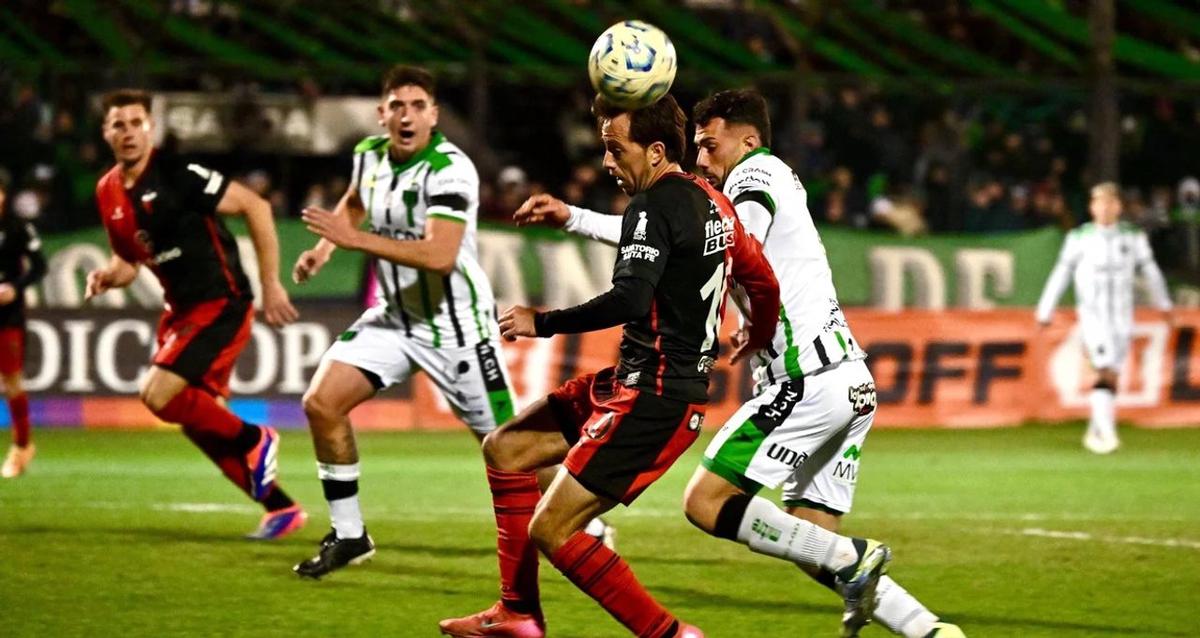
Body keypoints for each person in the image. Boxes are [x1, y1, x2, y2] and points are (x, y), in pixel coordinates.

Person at [513, 89, 963, 638]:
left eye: (710, 145)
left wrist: (579, 222)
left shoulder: (755, 177)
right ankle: (925, 628)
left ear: (748, 141)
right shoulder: (770, 180)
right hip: (849, 382)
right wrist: (577, 217)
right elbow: (695, 237)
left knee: (706, 502)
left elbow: (712, 237)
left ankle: (853, 558)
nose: (702, 158)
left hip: (807, 379)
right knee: (810, 537)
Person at [438, 93, 782, 638]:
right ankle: (517, 613)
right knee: (506, 448)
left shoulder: (652, 206)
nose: (606, 162)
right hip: (638, 383)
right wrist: (758, 337)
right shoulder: (713, 202)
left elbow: (628, 298)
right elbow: (762, 279)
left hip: (655, 398)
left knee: (553, 529)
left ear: (656, 151)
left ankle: (670, 635)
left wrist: (542, 322)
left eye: (616, 149)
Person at [291, 65, 619, 579]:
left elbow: (440, 256)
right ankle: (349, 534)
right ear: (381, 115)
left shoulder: (450, 170)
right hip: (396, 318)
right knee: (321, 403)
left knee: (510, 445)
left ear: (434, 115)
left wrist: (353, 240)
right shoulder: (368, 155)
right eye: (397, 106)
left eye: (417, 106)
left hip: (456, 329)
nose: (406, 116)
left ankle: (590, 524)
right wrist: (323, 248)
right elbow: (355, 203)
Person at [88, 89, 305, 539]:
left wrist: (271, 283)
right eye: (118, 125)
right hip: (180, 310)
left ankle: (255, 438)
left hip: (221, 301)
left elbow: (255, 206)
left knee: (157, 395)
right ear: (105, 133)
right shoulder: (108, 191)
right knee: (196, 418)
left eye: (136, 123)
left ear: (150, 127)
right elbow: (129, 261)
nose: (128, 132)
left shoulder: (178, 173)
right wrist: (108, 276)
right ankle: (281, 508)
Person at [1036, 182, 1173, 454]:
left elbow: (1151, 271)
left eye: (1110, 202)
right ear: (1092, 207)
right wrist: (1045, 309)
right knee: (1104, 368)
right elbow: (1061, 273)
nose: (1105, 208)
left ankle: (1095, 428)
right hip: (1093, 316)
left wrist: (1164, 303)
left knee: (1112, 373)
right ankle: (1108, 435)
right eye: (1100, 203)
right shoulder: (1079, 238)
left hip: (1122, 317)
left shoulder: (1132, 237)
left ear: (1119, 207)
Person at [0, 178, 47, 478]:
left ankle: (22, 446)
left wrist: (16, 288)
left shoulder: (18, 228)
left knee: (12, 382)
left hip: (7, 316)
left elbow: (40, 266)